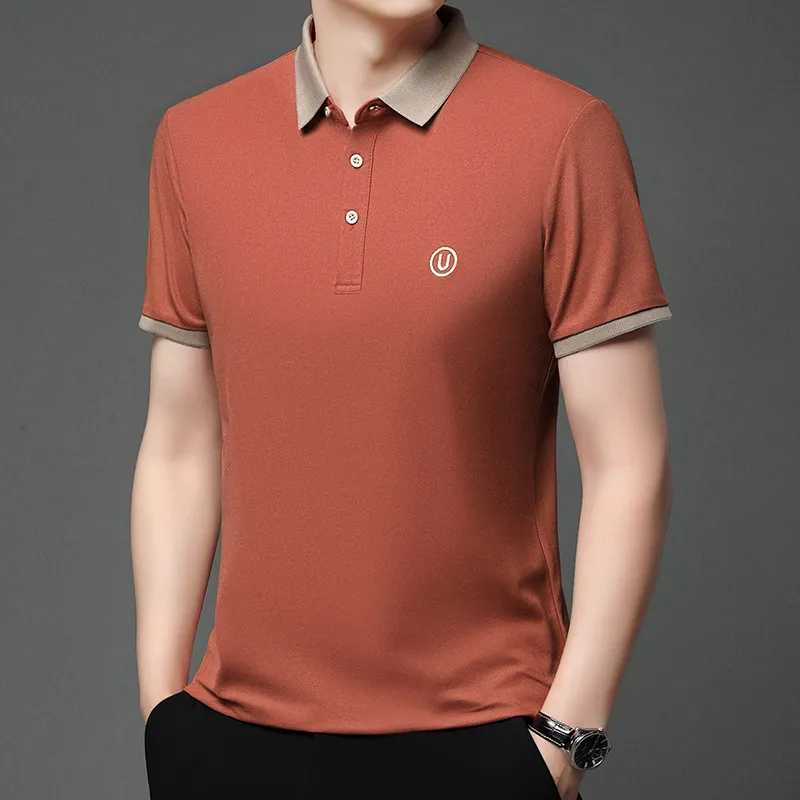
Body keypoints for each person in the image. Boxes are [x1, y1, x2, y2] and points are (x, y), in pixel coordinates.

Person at [131, 1, 674, 798]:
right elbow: (179, 446)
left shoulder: (563, 134)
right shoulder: (195, 139)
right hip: (233, 741)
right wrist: (162, 713)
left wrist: (565, 737)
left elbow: (630, 462)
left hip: (480, 738)